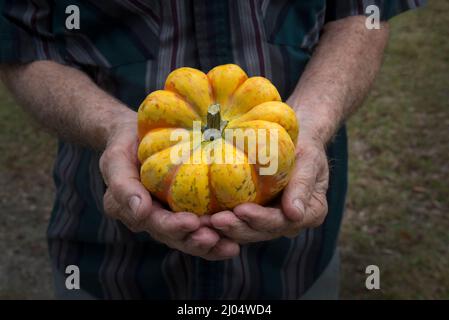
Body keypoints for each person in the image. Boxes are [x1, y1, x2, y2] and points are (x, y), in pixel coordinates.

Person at [0, 0, 424, 299]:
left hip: (293, 265)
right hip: (108, 259)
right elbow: (20, 38)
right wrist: (114, 127)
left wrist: (310, 126)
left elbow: (362, 12)